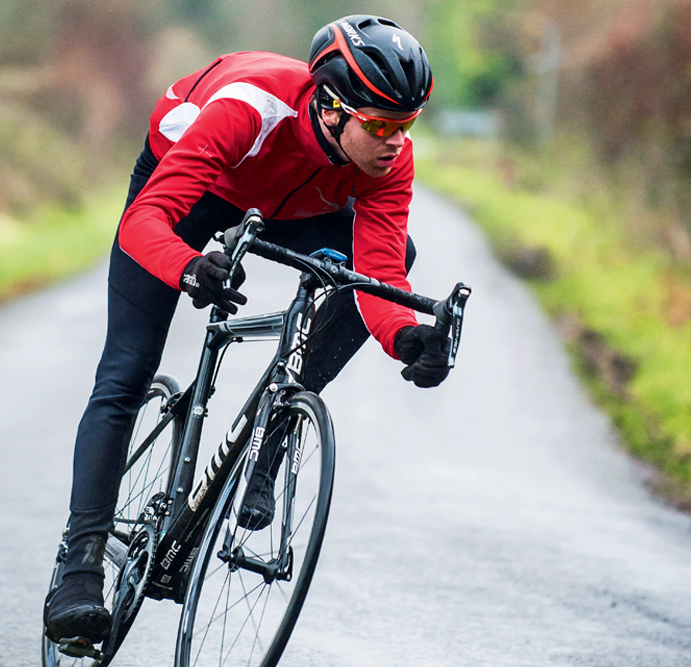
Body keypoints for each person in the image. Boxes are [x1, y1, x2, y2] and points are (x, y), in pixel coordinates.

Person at [44, 14, 454, 646]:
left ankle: (272, 435)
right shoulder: (249, 108)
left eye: (407, 125)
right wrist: (188, 268)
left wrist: (404, 337)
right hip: (198, 186)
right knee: (124, 372)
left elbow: (377, 270)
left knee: (401, 257)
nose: (396, 143)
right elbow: (145, 222)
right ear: (331, 107)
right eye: (380, 125)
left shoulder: (386, 162)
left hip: (300, 206)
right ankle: (79, 565)